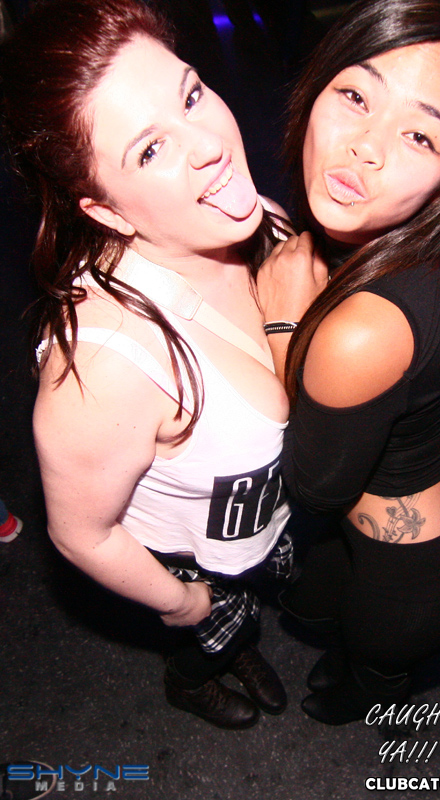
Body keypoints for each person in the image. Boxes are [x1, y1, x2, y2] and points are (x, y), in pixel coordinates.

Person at [0, 0, 297, 730]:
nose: (210, 144)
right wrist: (182, 603)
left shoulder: (249, 216)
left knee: (247, 617)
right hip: (191, 565)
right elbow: (82, 535)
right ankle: (193, 681)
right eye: (150, 149)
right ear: (106, 211)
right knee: (212, 632)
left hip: (265, 527)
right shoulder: (105, 369)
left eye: (191, 95)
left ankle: (237, 643)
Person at [257, 0, 440, 724]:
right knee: (322, 614)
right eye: (356, 96)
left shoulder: (362, 331)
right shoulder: (414, 238)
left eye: (419, 136)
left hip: (418, 578)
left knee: (365, 674)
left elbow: (314, 488)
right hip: (413, 527)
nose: (365, 147)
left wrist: (284, 323)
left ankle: (366, 694)